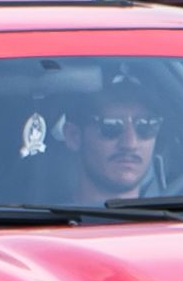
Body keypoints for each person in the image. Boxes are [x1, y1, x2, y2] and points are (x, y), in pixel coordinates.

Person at [56, 67, 167, 204]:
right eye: (111, 126)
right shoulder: (38, 221)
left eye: (146, 126)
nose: (130, 143)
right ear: (74, 136)